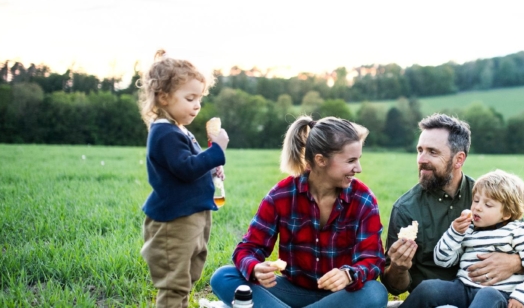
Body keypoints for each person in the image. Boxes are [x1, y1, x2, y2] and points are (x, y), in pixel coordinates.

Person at [382, 113, 524, 308]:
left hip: (503, 292)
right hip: (446, 297)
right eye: (419, 150)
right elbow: (394, 286)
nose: (421, 159)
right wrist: (399, 266)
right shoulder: (406, 209)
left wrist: (514, 262)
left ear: (458, 159)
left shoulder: (487, 195)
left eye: (432, 152)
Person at [210, 116, 388, 308]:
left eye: (358, 160)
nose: (358, 168)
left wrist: (348, 274)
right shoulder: (281, 195)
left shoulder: (363, 200)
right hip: (290, 292)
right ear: (320, 160)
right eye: (351, 160)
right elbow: (248, 248)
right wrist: (254, 268)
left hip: (341, 296)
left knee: (375, 292)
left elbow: (373, 259)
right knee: (224, 276)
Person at [138, 49, 229, 308]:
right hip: (174, 221)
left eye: (199, 98)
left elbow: (192, 167)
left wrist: (211, 168)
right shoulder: (164, 133)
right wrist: (217, 152)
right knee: (174, 281)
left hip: (193, 215)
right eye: (190, 98)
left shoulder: (179, 130)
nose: (197, 105)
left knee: (189, 275)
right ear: (164, 98)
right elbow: (185, 168)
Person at [401, 169, 524, 308]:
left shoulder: (517, 231)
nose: (477, 207)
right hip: (463, 288)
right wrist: (454, 233)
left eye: (488, 204)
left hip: (498, 295)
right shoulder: (469, 229)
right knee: (428, 288)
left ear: (507, 214)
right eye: (476, 200)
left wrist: (522, 296)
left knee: (487, 294)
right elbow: (442, 260)